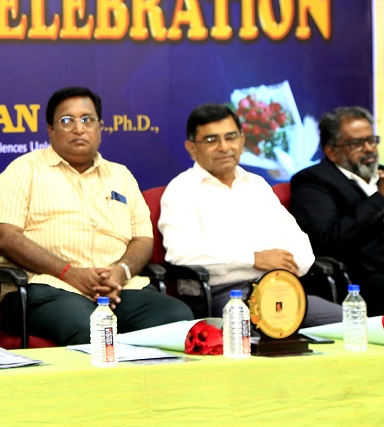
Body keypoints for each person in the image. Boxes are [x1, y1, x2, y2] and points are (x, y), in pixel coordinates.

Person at [0, 86, 193, 345]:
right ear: (50, 130)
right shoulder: (23, 170)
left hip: (117, 289)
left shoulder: (121, 176)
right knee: (93, 328)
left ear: (100, 127)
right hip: (46, 287)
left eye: (87, 120)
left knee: (178, 319)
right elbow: (4, 236)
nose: (79, 128)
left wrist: (121, 272)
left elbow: (142, 239)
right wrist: (69, 272)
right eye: (66, 121)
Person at [159, 104, 342, 325]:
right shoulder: (182, 190)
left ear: (242, 140)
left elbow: (297, 241)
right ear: (192, 148)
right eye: (211, 140)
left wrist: (291, 265)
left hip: (278, 288)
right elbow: (180, 253)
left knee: (351, 324)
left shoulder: (257, 185)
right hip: (222, 295)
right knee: (253, 333)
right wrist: (253, 259)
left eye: (231, 137)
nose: (224, 147)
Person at [289, 106, 384, 316]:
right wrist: (379, 199)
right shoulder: (313, 181)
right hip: (360, 277)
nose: (368, 148)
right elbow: (327, 239)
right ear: (331, 151)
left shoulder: (381, 175)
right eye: (357, 143)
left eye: (371, 140)